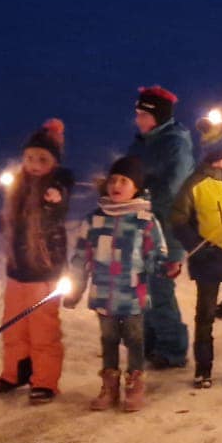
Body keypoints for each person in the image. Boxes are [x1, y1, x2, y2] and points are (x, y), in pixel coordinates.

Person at [0, 120, 75, 404]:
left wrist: (53, 199)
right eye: (29, 158)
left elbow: (56, 211)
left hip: (43, 273)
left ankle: (45, 381)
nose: (34, 164)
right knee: (13, 326)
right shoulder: (19, 188)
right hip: (17, 272)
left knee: (43, 330)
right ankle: (14, 373)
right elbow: (9, 222)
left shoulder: (56, 187)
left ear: (52, 162)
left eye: (42, 159)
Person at [64, 156, 176, 411]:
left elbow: (155, 253)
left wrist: (163, 267)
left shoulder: (144, 220)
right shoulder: (94, 220)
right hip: (103, 292)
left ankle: (135, 384)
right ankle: (109, 385)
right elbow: (81, 257)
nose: (116, 185)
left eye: (124, 181)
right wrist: (75, 290)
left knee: (135, 339)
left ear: (135, 187)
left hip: (132, 293)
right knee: (108, 338)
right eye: (113, 179)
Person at [171, 115, 222, 388]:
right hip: (208, 257)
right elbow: (178, 219)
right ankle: (203, 366)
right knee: (205, 313)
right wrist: (196, 245)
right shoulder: (195, 184)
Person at [130, 86, 195, 371]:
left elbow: (173, 192)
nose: (138, 119)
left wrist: (139, 194)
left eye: (143, 114)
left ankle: (173, 348)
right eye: (137, 114)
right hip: (141, 227)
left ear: (158, 116)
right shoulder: (143, 142)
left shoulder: (175, 144)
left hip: (166, 230)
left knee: (160, 291)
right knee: (143, 288)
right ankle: (151, 342)